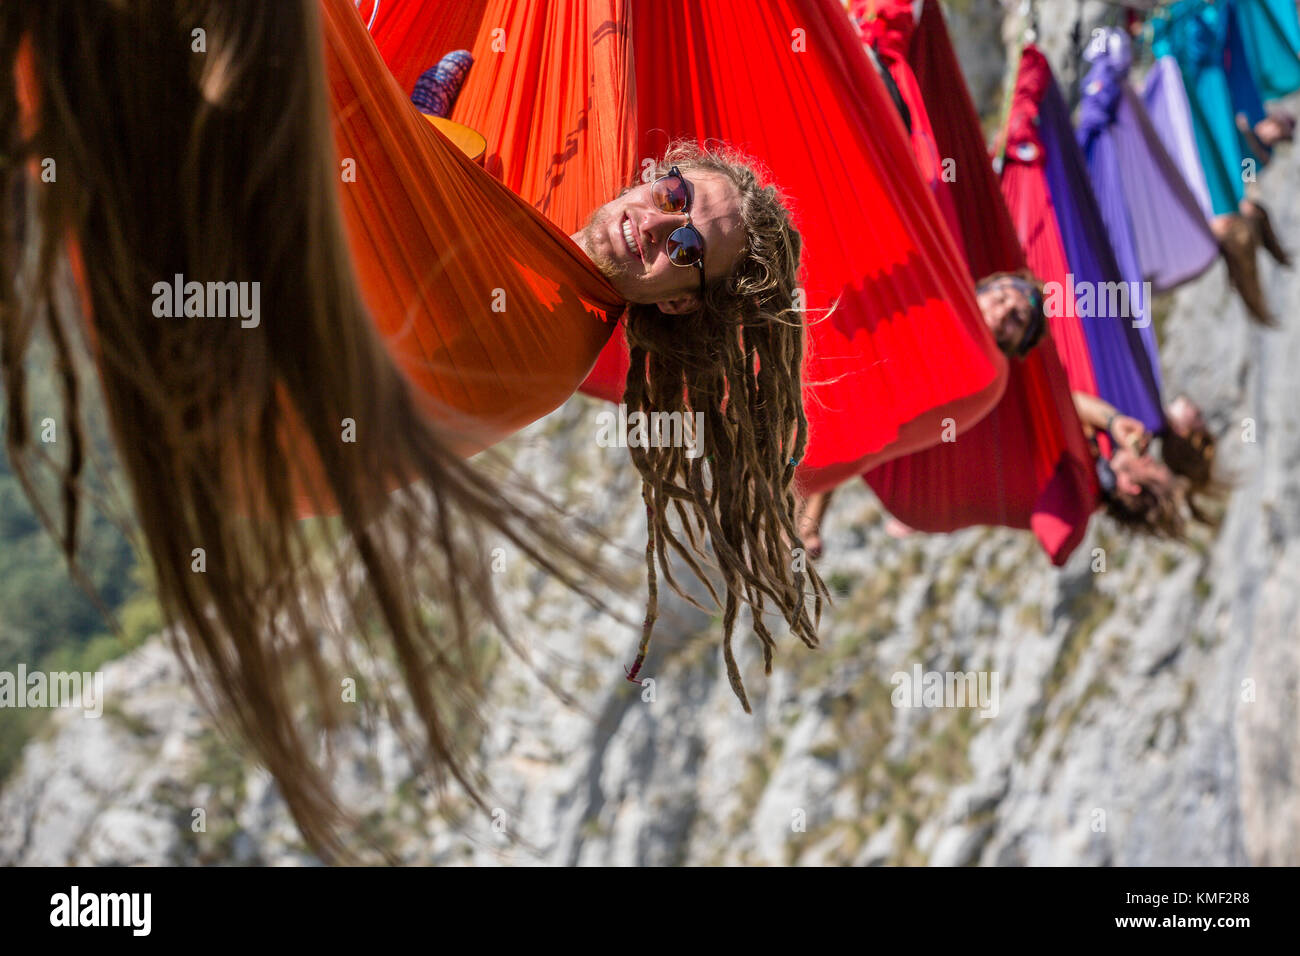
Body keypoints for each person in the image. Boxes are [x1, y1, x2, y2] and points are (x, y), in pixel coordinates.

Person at [1, 0, 821, 857]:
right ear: (655, 173)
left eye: (686, 247)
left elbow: (376, 294)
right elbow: (386, 229)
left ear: (682, 300)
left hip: (243, 367)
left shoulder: (542, 335)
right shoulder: (524, 235)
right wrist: (419, 129)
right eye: (676, 194)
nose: (657, 223)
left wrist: (398, 129)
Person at [797, 271, 1046, 556]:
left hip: (869, 414)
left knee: (849, 428)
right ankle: (807, 522)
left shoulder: (986, 384)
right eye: (1000, 298)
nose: (1002, 313)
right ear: (981, 288)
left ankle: (806, 522)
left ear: (1018, 346)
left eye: (1017, 319)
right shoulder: (935, 288)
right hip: (846, 345)